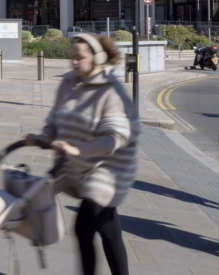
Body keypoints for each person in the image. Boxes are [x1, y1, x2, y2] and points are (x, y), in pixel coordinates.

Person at [25, 33, 138, 275]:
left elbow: (113, 138)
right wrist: (44, 136)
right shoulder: (68, 82)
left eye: (80, 57)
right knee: (109, 229)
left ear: (96, 58)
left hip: (110, 167)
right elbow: (55, 119)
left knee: (83, 228)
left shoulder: (111, 90)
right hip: (80, 164)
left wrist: (76, 150)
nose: (74, 62)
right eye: (71, 57)